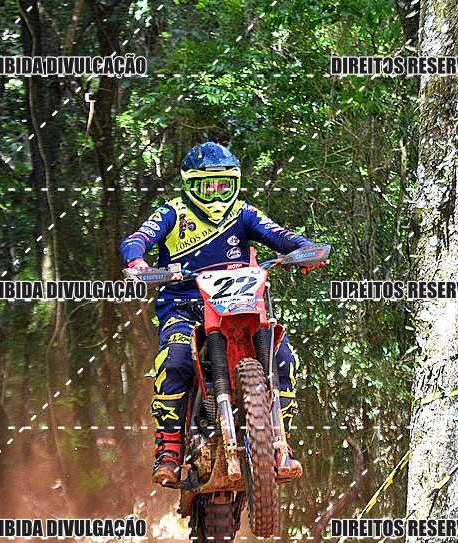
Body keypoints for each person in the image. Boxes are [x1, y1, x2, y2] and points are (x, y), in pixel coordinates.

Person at [120, 141, 325, 486]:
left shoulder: (244, 214)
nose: (216, 195)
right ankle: (169, 448)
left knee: (284, 357)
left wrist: (305, 249)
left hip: (240, 305)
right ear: (190, 186)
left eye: (223, 186)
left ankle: (280, 441)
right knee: (176, 359)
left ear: (235, 185)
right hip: (185, 307)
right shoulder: (172, 213)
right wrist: (138, 261)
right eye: (207, 187)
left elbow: (279, 235)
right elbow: (136, 238)